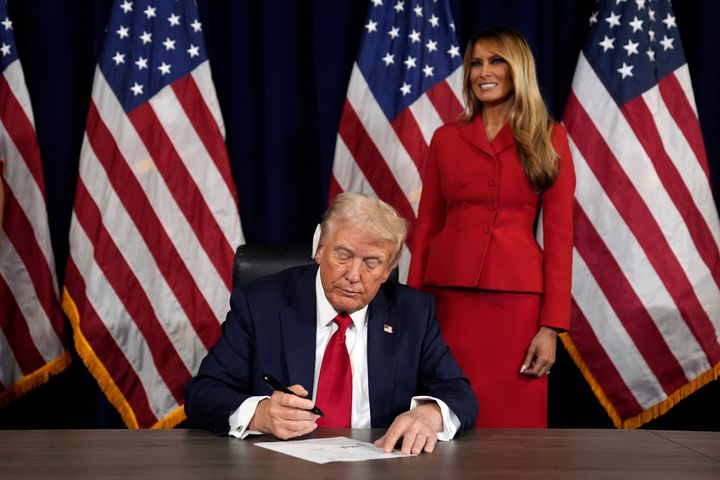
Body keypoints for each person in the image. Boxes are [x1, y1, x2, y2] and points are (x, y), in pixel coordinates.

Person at [185, 192, 478, 454]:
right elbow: (203, 394)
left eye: (372, 262)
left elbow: (459, 393)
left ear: (388, 270)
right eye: (343, 255)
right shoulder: (261, 305)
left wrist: (430, 414)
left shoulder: (413, 312)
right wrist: (260, 414)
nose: (353, 274)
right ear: (320, 248)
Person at [407, 26, 575, 428]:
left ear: (517, 69)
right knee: (442, 418)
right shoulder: (446, 139)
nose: (484, 71)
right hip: (446, 300)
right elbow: (427, 225)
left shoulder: (549, 136)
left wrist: (550, 327)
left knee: (513, 425)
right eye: (476, 63)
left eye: (496, 60)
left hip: (515, 304)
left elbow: (560, 237)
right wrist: (411, 308)